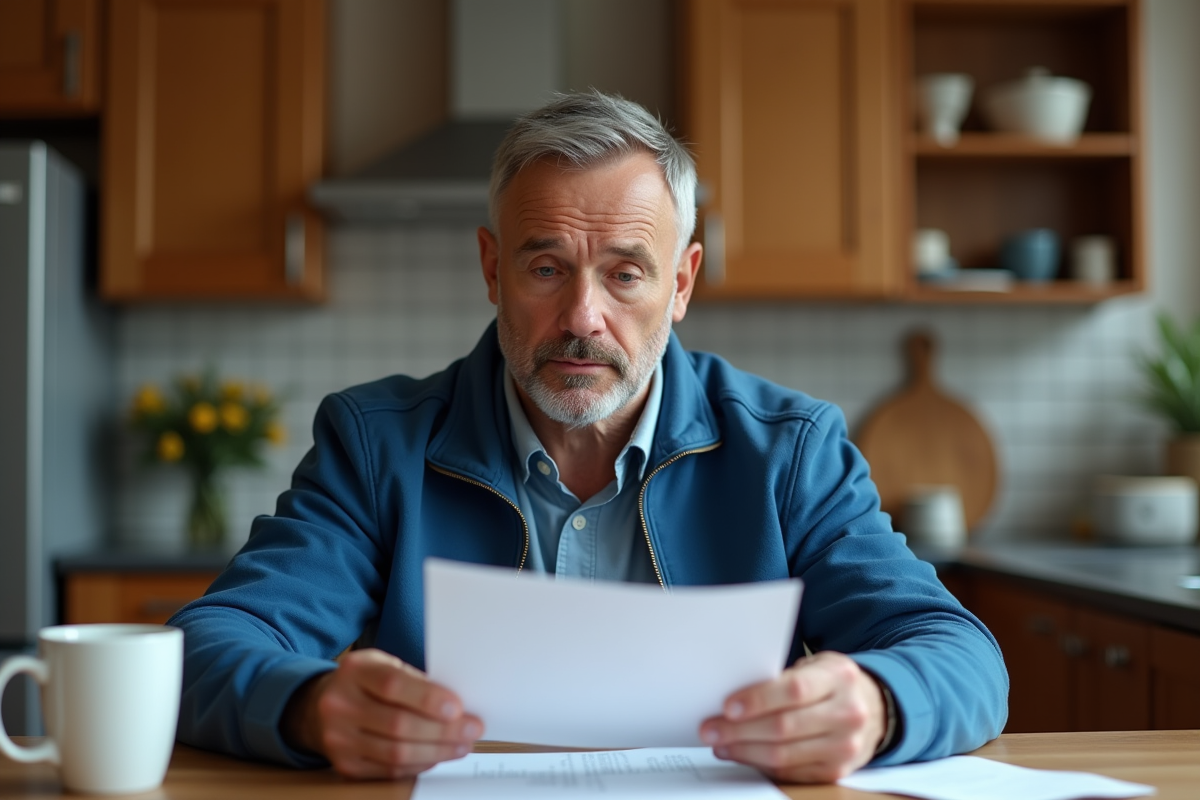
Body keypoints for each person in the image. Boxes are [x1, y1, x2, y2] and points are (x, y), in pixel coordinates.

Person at [169, 91, 1007, 784]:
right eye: (545, 269)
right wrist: (310, 705)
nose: (581, 318)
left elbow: (961, 654)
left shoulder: (792, 450)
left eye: (625, 272)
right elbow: (206, 649)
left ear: (681, 284)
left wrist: (878, 702)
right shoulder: (374, 444)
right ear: (492, 270)